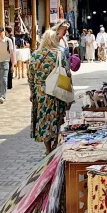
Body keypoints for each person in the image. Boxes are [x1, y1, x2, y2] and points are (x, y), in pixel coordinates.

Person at [29, 24, 72, 153]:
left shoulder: (35, 55)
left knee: (43, 120)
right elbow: (67, 74)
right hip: (56, 91)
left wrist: (32, 91)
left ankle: (48, 149)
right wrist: (69, 93)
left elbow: (30, 76)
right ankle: (55, 145)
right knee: (56, 118)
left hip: (40, 92)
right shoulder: (58, 55)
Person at [0, 25, 15, 104]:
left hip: (5, 61)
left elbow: (11, 53)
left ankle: (2, 96)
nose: (0, 34)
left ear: (4, 32)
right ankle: (1, 93)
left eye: (1, 33)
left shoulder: (8, 41)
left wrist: (13, 65)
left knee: (4, 79)